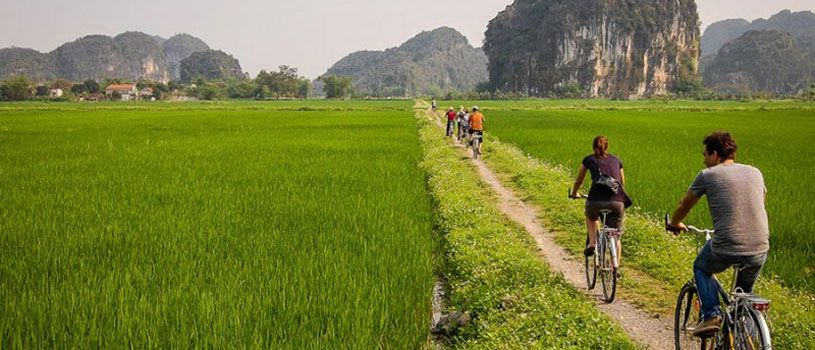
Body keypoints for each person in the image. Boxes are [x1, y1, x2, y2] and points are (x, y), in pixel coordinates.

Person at [667, 131, 769, 336]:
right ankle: (745, 336)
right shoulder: (755, 172)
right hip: (759, 247)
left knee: (701, 267)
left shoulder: (708, 175)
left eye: (705, 155)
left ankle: (711, 314)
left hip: (727, 245)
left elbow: (684, 205)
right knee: (743, 297)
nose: (704, 160)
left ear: (714, 155)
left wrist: (675, 223)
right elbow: (761, 201)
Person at [569, 135, 627, 273]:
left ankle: (592, 243)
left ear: (593, 147)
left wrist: (574, 193)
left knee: (591, 216)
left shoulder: (589, 159)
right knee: (615, 235)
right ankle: (615, 267)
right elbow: (622, 183)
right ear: (607, 147)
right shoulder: (617, 160)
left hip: (595, 199)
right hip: (617, 201)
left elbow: (579, 181)